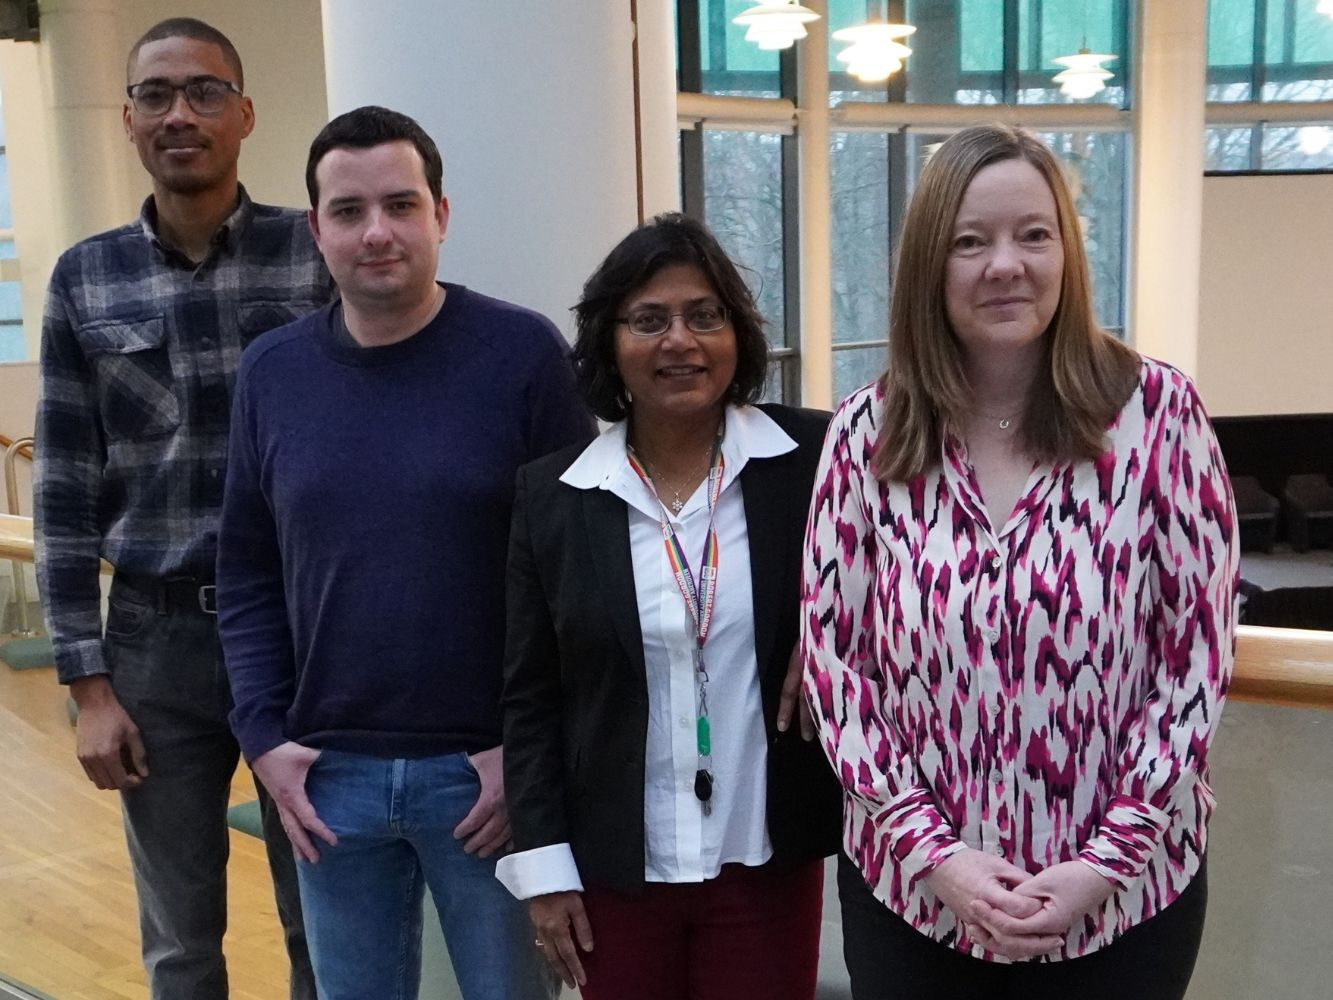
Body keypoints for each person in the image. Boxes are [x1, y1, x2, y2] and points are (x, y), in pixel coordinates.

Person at [801, 123, 1240, 1000]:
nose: (1005, 264)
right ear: (931, 264)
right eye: (971, 241)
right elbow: (835, 668)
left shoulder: (1158, 416)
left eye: (1032, 234)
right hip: (917, 903)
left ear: (1065, 252)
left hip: (1123, 904)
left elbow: (1192, 660)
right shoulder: (864, 434)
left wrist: (1103, 863)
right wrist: (938, 858)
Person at [215, 105, 591, 1000]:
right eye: (348, 211)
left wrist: (529, 756)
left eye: (400, 204)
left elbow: (580, 568)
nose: (376, 232)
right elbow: (246, 573)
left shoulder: (522, 353)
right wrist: (263, 737)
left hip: (484, 781)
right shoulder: (272, 373)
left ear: (441, 215)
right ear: (317, 229)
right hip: (326, 781)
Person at [33, 18, 329, 999]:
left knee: (320, 917)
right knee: (180, 935)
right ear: (126, 119)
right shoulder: (86, 275)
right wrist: (88, 686)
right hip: (155, 643)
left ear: (244, 114)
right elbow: (66, 486)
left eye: (204, 92)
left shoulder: (316, 254)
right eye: (155, 95)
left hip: (300, 633)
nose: (179, 113)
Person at [497, 212, 842, 999]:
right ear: (610, 344)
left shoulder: (814, 463)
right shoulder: (554, 497)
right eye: (648, 320)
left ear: (738, 333)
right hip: (613, 873)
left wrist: (830, 635)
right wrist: (543, 867)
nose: (679, 341)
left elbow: (889, 588)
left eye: (704, 316)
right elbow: (530, 699)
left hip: (764, 854)